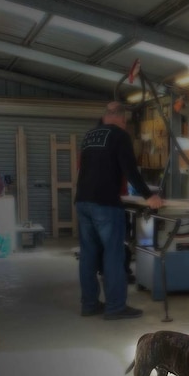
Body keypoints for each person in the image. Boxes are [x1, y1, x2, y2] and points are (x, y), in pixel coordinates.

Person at [76, 102, 163, 320]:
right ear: (122, 120)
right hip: (105, 204)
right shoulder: (120, 135)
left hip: (83, 201)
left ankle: (89, 304)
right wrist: (149, 196)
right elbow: (130, 170)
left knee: (88, 256)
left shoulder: (89, 136)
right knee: (113, 255)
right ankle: (115, 307)